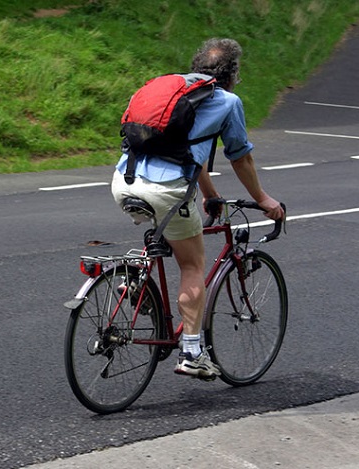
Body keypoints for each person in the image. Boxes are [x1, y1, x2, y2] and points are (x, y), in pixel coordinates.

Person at [111, 38, 285, 380]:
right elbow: (241, 157)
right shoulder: (226, 101)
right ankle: (192, 351)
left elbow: (191, 151)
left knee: (165, 225)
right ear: (232, 74)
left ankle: (137, 279)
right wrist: (264, 200)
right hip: (168, 189)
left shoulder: (173, 91)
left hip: (123, 180)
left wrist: (209, 194)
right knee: (192, 265)